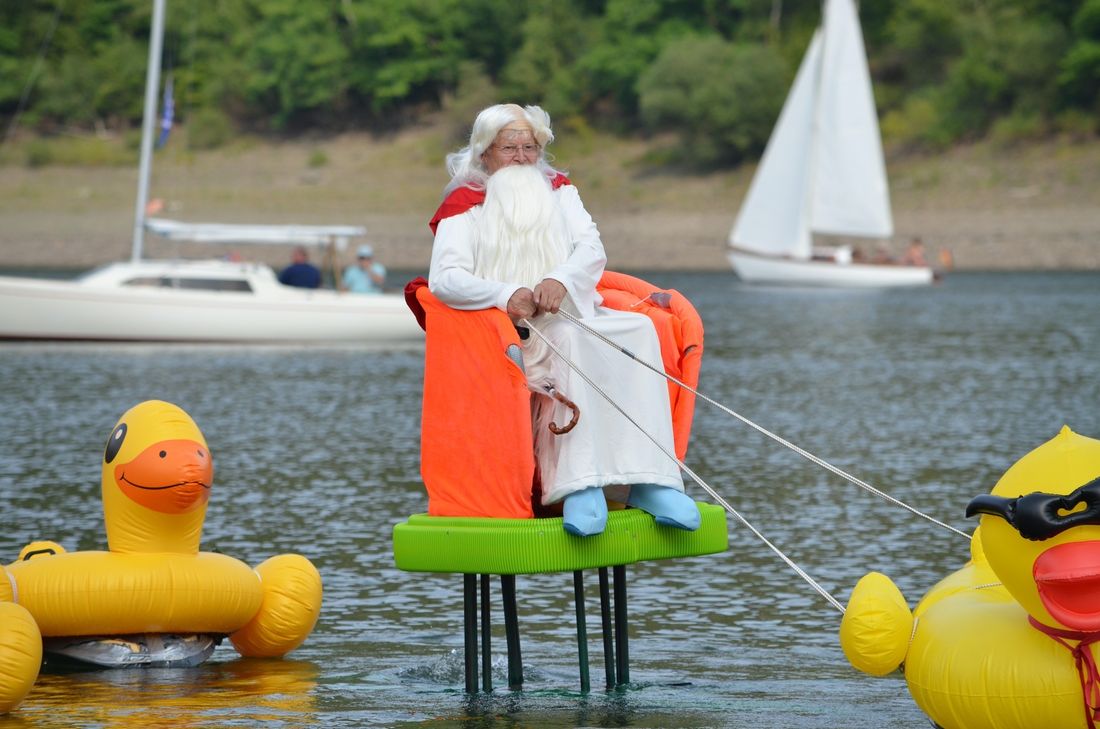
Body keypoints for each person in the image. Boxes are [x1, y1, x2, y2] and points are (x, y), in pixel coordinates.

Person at [427, 103, 699, 537]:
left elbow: (590, 248)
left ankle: (651, 481)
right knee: (571, 341)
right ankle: (578, 487)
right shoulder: (464, 205)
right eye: (509, 148)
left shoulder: (559, 190)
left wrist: (560, 279)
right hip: (511, 331)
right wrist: (505, 293)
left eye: (529, 147)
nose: (521, 158)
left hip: (570, 311)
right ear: (485, 153)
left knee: (640, 330)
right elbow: (445, 280)